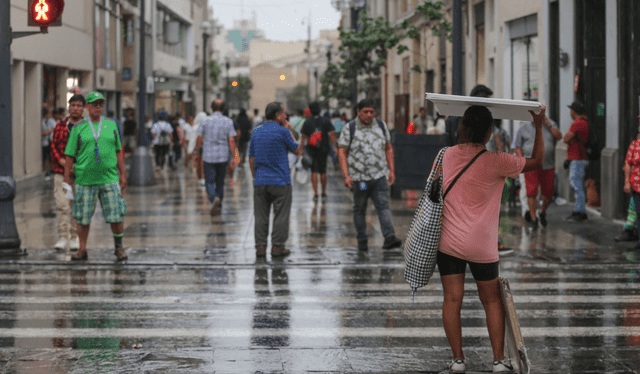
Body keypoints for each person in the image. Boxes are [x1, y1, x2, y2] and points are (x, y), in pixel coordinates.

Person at [435, 104, 546, 373]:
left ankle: (458, 360)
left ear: (462, 128)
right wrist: (539, 126)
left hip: (449, 242)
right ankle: (498, 361)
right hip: (482, 245)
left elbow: (435, 186)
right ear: (489, 132)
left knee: (452, 299)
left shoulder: (446, 155)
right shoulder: (499, 161)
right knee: (492, 300)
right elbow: (537, 162)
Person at [63, 91, 128, 261]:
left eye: (101, 104)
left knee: (116, 215)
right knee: (82, 217)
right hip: (85, 179)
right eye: (95, 104)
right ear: (87, 107)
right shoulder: (79, 128)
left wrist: (123, 175)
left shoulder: (111, 125)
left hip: (109, 178)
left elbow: (119, 151)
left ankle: (119, 247)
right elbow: (69, 155)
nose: (98, 107)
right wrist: (66, 180)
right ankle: (82, 249)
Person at [337, 98, 403, 251]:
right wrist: (346, 175)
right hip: (359, 178)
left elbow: (388, 147)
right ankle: (362, 240)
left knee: (383, 207)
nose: (368, 115)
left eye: (371, 112)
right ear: (358, 112)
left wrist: (391, 170)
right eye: (365, 112)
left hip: (379, 176)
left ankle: (389, 237)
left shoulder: (381, 125)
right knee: (359, 209)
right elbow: (342, 151)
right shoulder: (350, 128)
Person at [249, 102, 303, 258]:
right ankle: (278, 247)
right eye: (284, 114)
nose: (286, 116)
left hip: (260, 181)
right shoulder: (282, 131)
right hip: (280, 181)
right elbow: (298, 150)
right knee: (281, 215)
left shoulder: (256, 131)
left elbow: (250, 158)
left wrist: (255, 176)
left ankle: (260, 246)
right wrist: (288, 130)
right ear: (278, 115)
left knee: (260, 216)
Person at [50, 95, 86, 251]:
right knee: (62, 205)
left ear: (83, 108)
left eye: (79, 105)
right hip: (60, 172)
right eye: (73, 105)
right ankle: (63, 236)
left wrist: (77, 166)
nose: (76, 108)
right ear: (69, 107)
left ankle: (74, 237)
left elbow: (91, 150)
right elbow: (54, 147)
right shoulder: (61, 126)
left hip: (81, 174)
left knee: (78, 206)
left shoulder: (87, 126)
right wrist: (63, 162)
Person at [514, 115, 562, 229]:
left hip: (548, 165)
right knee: (531, 192)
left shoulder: (550, 123)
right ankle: (534, 218)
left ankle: (542, 212)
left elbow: (559, 136)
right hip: (531, 165)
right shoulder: (523, 128)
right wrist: (521, 159)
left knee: (549, 193)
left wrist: (549, 125)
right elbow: (517, 147)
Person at [195, 100, 239, 216]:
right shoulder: (228, 122)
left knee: (209, 181)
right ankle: (218, 205)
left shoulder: (205, 121)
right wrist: (236, 157)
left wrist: (196, 153)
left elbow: (199, 138)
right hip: (223, 156)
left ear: (211, 108)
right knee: (220, 183)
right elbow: (232, 141)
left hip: (208, 156)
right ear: (223, 109)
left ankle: (213, 199)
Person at [300, 101, 338, 201]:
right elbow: (332, 134)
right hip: (324, 149)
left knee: (314, 171)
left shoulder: (307, 122)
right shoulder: (325, 120)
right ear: (320, 110)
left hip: (311, 149)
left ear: (310, 110)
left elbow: (303, 137)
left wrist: (300, 150)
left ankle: (316, 193)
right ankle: (324, 192)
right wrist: (335, 147)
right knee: (323, 171)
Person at [563, 101, 590, 222]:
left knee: (577, 185)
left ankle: (580, 212)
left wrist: (569, 139)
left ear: (573, 111)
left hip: (578, 159)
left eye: (571, 110)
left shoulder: (578, 123)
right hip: (579, 158)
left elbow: (566, 138)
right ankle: (578, 210)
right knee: (577, 184)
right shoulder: (584, 122)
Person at [623, 115, 640, 247]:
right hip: (636, 185)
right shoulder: (634, 145)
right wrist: (627, 183)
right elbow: (628, 164)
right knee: (638, 212)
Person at [41, 108, 56, 175]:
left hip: (47, 142)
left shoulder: (45, 121)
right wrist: (49, 132)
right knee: (44, 158)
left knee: (48, 158)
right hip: (43, 143)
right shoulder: (42, 122)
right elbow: (41, 133)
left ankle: (48, 171)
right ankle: (44, 171)